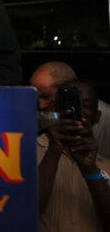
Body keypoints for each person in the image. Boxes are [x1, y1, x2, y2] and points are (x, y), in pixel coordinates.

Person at [37, 80, 110, 231]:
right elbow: (25, 212)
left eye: (85, 106)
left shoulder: (106, 166)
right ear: (54, 110)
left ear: (97, 116)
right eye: (69, 106)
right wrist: (53, 152)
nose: (76, 112)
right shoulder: (29, 152)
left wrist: (91, 170)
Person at [30, 61, 110, 157]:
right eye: (36, 98)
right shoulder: (48, 116)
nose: (41, 105)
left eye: (46, 96)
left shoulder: (94, 116)